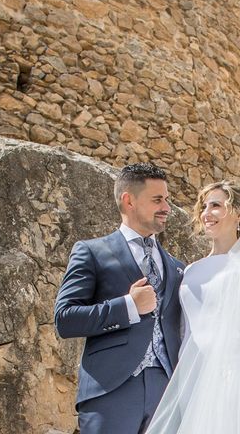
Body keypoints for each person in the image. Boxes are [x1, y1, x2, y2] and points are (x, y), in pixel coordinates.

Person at [54, 163, 185, 434]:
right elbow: (65, 319)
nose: (166, 208)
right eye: (157, 199)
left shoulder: (176, 266)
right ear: (129, 200)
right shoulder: (92, 251)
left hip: (167, 392)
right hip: (111, 389)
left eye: (167, 200)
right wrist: (128, 307)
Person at [145, 180, 240, 433]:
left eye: (216, 205)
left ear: (238, 214)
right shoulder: (191, 271)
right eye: (204, 206)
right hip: (191, 374)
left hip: (233, 373)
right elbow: (184, 328)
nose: (206, 213)